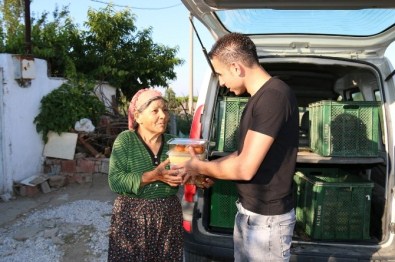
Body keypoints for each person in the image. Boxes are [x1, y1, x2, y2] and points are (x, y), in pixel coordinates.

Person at [179, 33, 299, 261]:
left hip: (267, 222)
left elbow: (244, 167)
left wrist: (201, 168)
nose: (221, 82)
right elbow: (241, 154)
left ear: (236, 67)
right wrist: (208, 167)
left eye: (221, 74)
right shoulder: (259, 98)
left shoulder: (273, 96)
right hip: (252, 214)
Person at [107, 88, 185, 262]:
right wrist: (151, 176)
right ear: (138, 116)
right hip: (132, 217)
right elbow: (115, 181)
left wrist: (197, 178)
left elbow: (183, 174)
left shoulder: (173, 143)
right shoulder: (125, 140)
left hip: (168, 216)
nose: (163, 116)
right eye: (155, 110)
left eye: (165, 110)